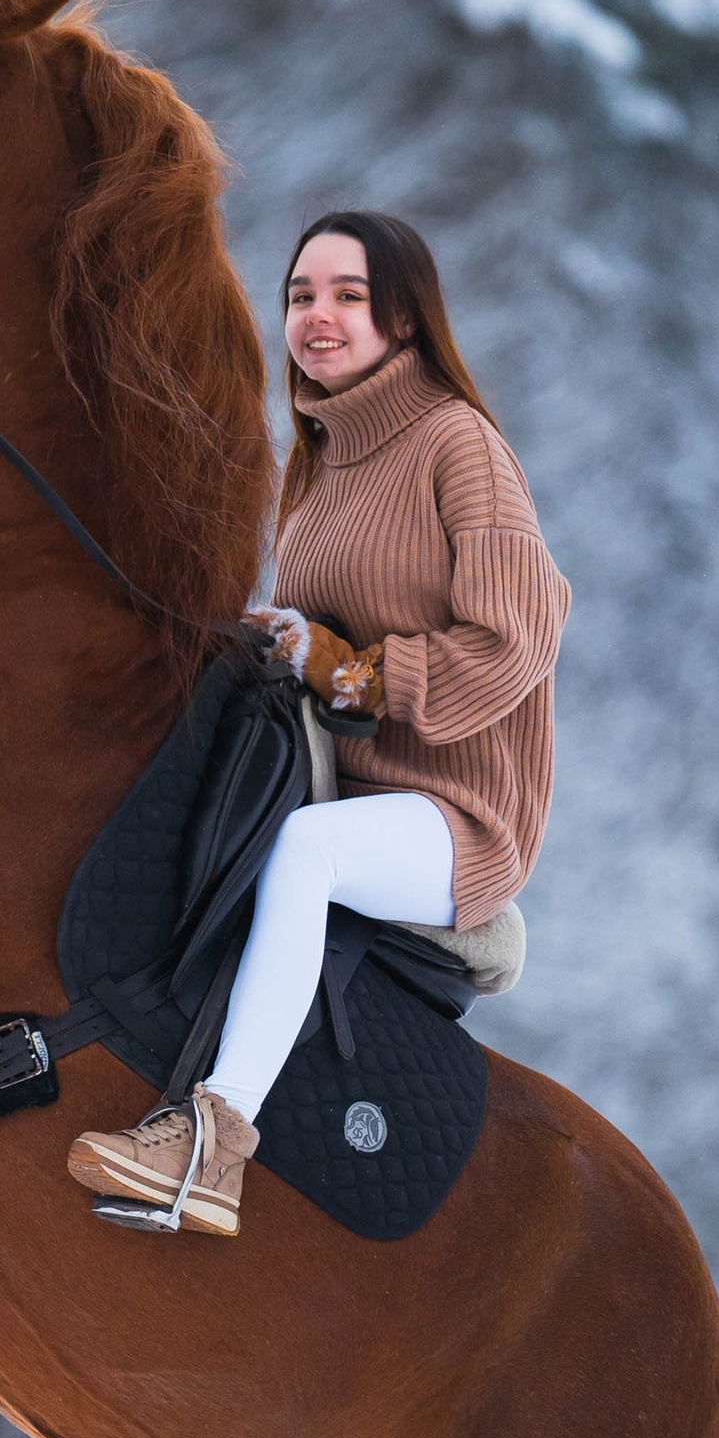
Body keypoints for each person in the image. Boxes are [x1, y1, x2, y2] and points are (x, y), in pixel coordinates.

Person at [67, 210, 569, 1238]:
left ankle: (214, 1142)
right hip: (342, 786)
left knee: (304, 851)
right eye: (300, 295)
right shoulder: (318, 462)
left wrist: (360, 679)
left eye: (348, 295)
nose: (317, 316)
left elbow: (522, 635)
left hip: (453, 813)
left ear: (405, 318)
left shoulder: (456, 443)